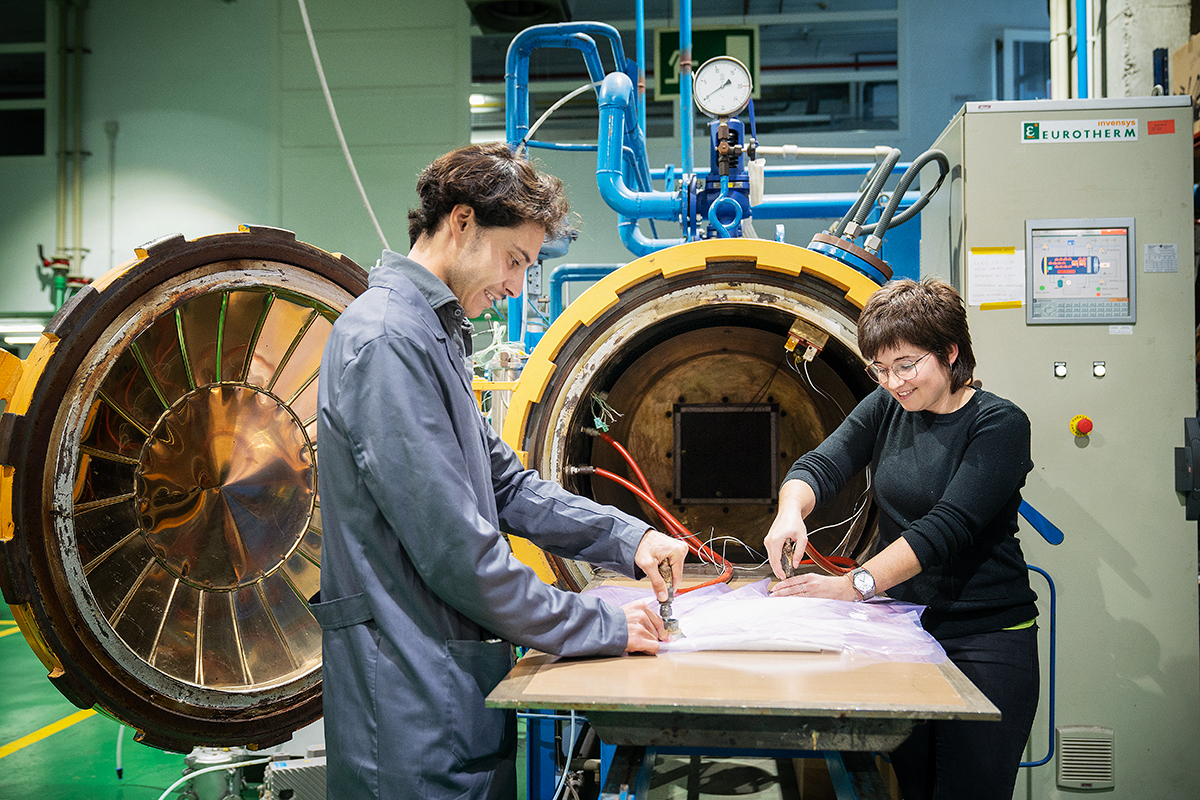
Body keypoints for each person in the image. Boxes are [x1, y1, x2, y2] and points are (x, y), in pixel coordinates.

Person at [312, 142, 688, 800]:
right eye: (515, 260)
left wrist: (628, 539)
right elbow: (455, 548)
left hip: (449, 691)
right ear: (461, 222)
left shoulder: (432, 334)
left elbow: (505, 485)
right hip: (407, 705)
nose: (517, 285)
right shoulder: (387, 342)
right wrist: (597, 626)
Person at [764, 276, 1039, 800]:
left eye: (906, 365)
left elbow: (944, 530)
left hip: (985, 639)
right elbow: (822, 464)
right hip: (905, 633)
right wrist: (790, 512)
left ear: (949, 352)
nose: (892, 382)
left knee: (970, 791)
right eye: (880, 369)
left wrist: (853, 586)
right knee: (912, 786)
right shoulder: (887, 407)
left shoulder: (999, 425)